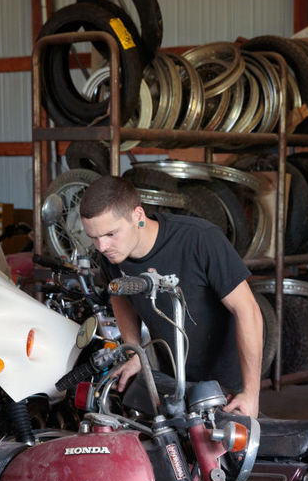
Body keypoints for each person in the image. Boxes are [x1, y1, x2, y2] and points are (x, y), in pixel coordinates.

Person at [79, 175, 263, 418]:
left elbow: (247, 310)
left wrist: (251, 392)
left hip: (226, 386)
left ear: (138, 216)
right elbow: (120, 294)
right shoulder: (112, 255)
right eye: (94, 237)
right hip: (175, 381)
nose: (101, 246)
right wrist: (136, 353)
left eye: (111, 234)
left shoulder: (200, 239)